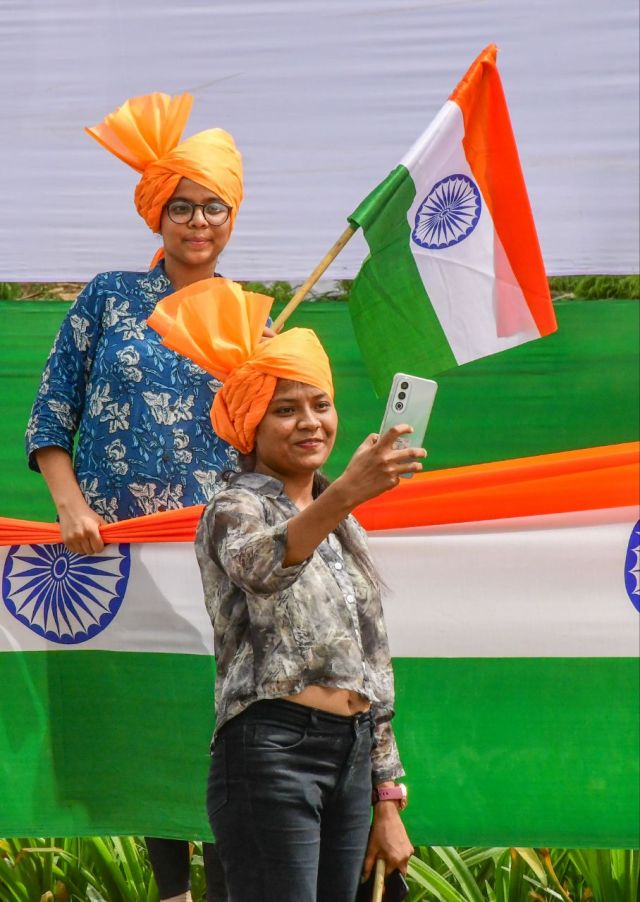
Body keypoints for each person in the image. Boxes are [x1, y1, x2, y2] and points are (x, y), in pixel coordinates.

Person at [24, 91, 256, 902]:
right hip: (113, 549)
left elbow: (275, 437)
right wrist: (70, 505)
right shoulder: (108, 298)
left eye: (213, 207)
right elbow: (53, 408)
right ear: (158, 213)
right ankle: (171, 891)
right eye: (182, 206)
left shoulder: (253, 317)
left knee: (220, 716)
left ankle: (223, 889)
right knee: (142, 713)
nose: (197, 222)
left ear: (231, 219)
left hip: (220, 553)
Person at [148, 283, 418, 902]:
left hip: (352, 758)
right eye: (285, 409)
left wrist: (386, 796)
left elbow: (371, 663)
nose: (310, 422)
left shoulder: (344, 524)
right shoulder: (231, 506)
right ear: (250, 424)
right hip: (270, 752)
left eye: (320, 404)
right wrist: (345, 491)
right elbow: (264, 567)